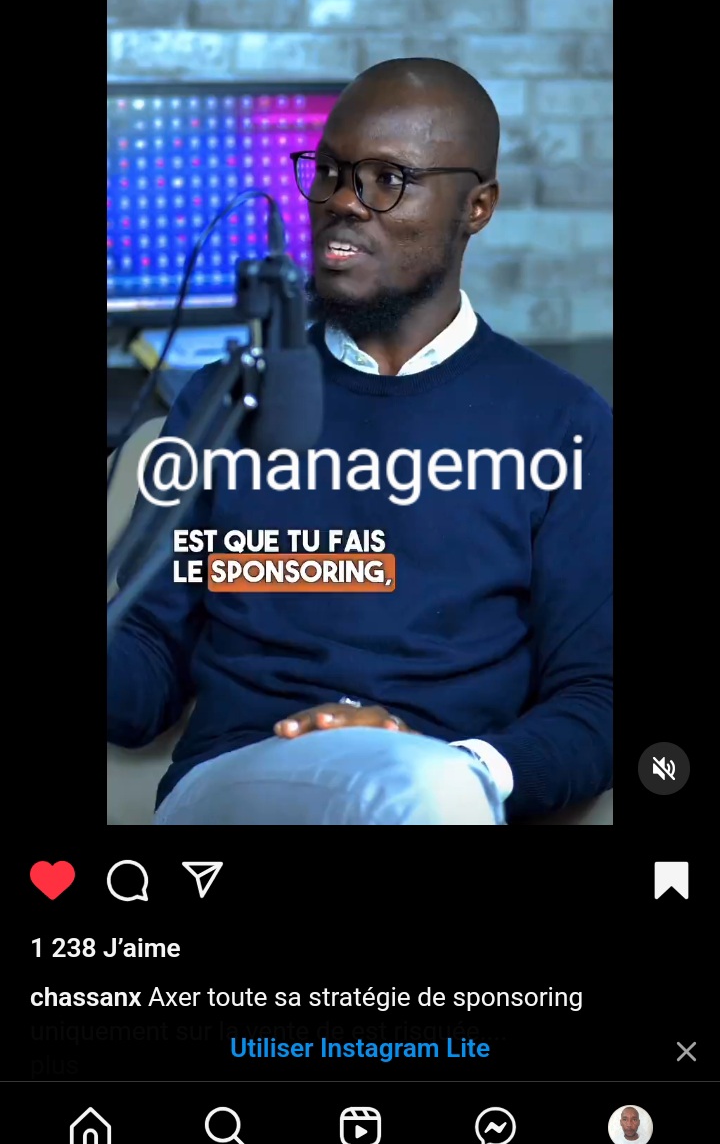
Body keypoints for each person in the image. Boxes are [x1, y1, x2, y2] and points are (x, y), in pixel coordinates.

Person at [107, 57, 613, 825]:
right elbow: (145, 670)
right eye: (330, 171)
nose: (343, 201)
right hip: (237, 777)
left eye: (388, 179)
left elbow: (598, 697)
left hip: (448, 787)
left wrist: (462, 764)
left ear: (477, 207)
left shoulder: (563, 424)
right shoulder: (224, 401)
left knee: (428, 790)